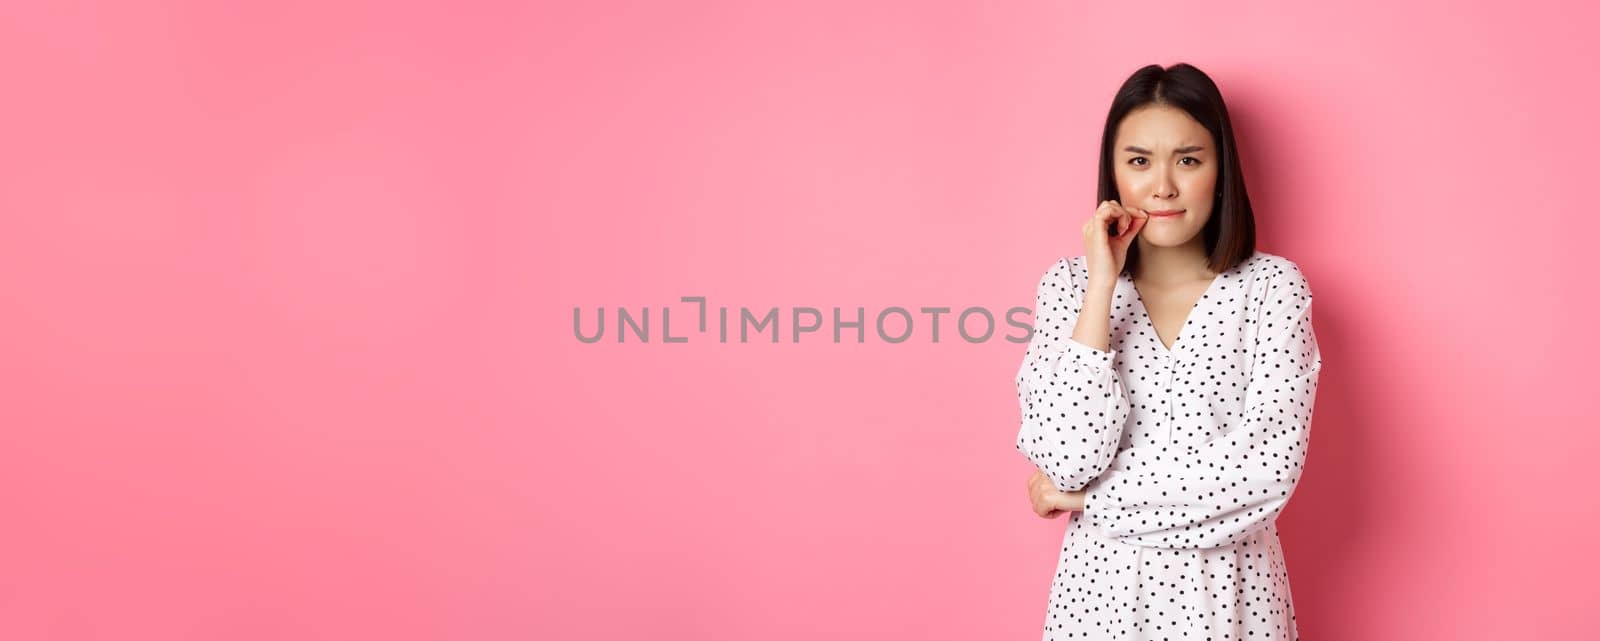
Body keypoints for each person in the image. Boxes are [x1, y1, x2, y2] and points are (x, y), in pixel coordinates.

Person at [1014, 62, 1323, 640]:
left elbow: (1260, 478)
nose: (1163, 186)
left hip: (1230, 602)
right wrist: (1100, 288)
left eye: (1188, 159)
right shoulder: (1068, 289)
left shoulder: (1271, 290)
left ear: (1220, 170)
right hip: (1098, 606)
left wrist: (1084, 500)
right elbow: (1063, 458)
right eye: (1138, 161)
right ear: (1113, 174)